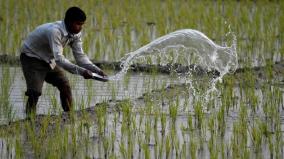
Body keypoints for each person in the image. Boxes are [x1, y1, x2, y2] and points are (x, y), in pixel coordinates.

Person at [20, 6, 108, 117]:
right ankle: (29, 120)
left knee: (64, 84)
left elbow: (80, 57)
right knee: (35, 92)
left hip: (49, 59)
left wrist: (97, 71)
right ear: (69, 22)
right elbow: (60, 59)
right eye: (78, 24)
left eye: (82, 24)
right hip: (32, 57)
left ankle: (69, 116)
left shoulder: (76, 34)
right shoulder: (55, 31)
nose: (80, 28)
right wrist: (82, 72)